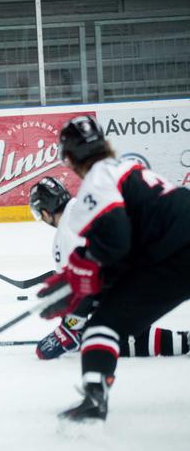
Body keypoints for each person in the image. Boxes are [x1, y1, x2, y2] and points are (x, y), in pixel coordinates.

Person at [37, 116, 190, 422]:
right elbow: (129, 242)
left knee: (103, 326)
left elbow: (116, 237)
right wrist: (82, 279)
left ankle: (94, 401)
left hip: (176, 253)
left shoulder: (98, 178)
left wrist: (79, 277)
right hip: (170, 246)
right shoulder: (129, 170)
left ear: (68, 158)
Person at [30, 176, 190, 360]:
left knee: (102, 333)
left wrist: (70, 328)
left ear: (45, 212)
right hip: (170, 246)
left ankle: (184, 342)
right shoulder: (88, 202)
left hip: (157, 269)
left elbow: (83, 287)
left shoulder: (64, 236)